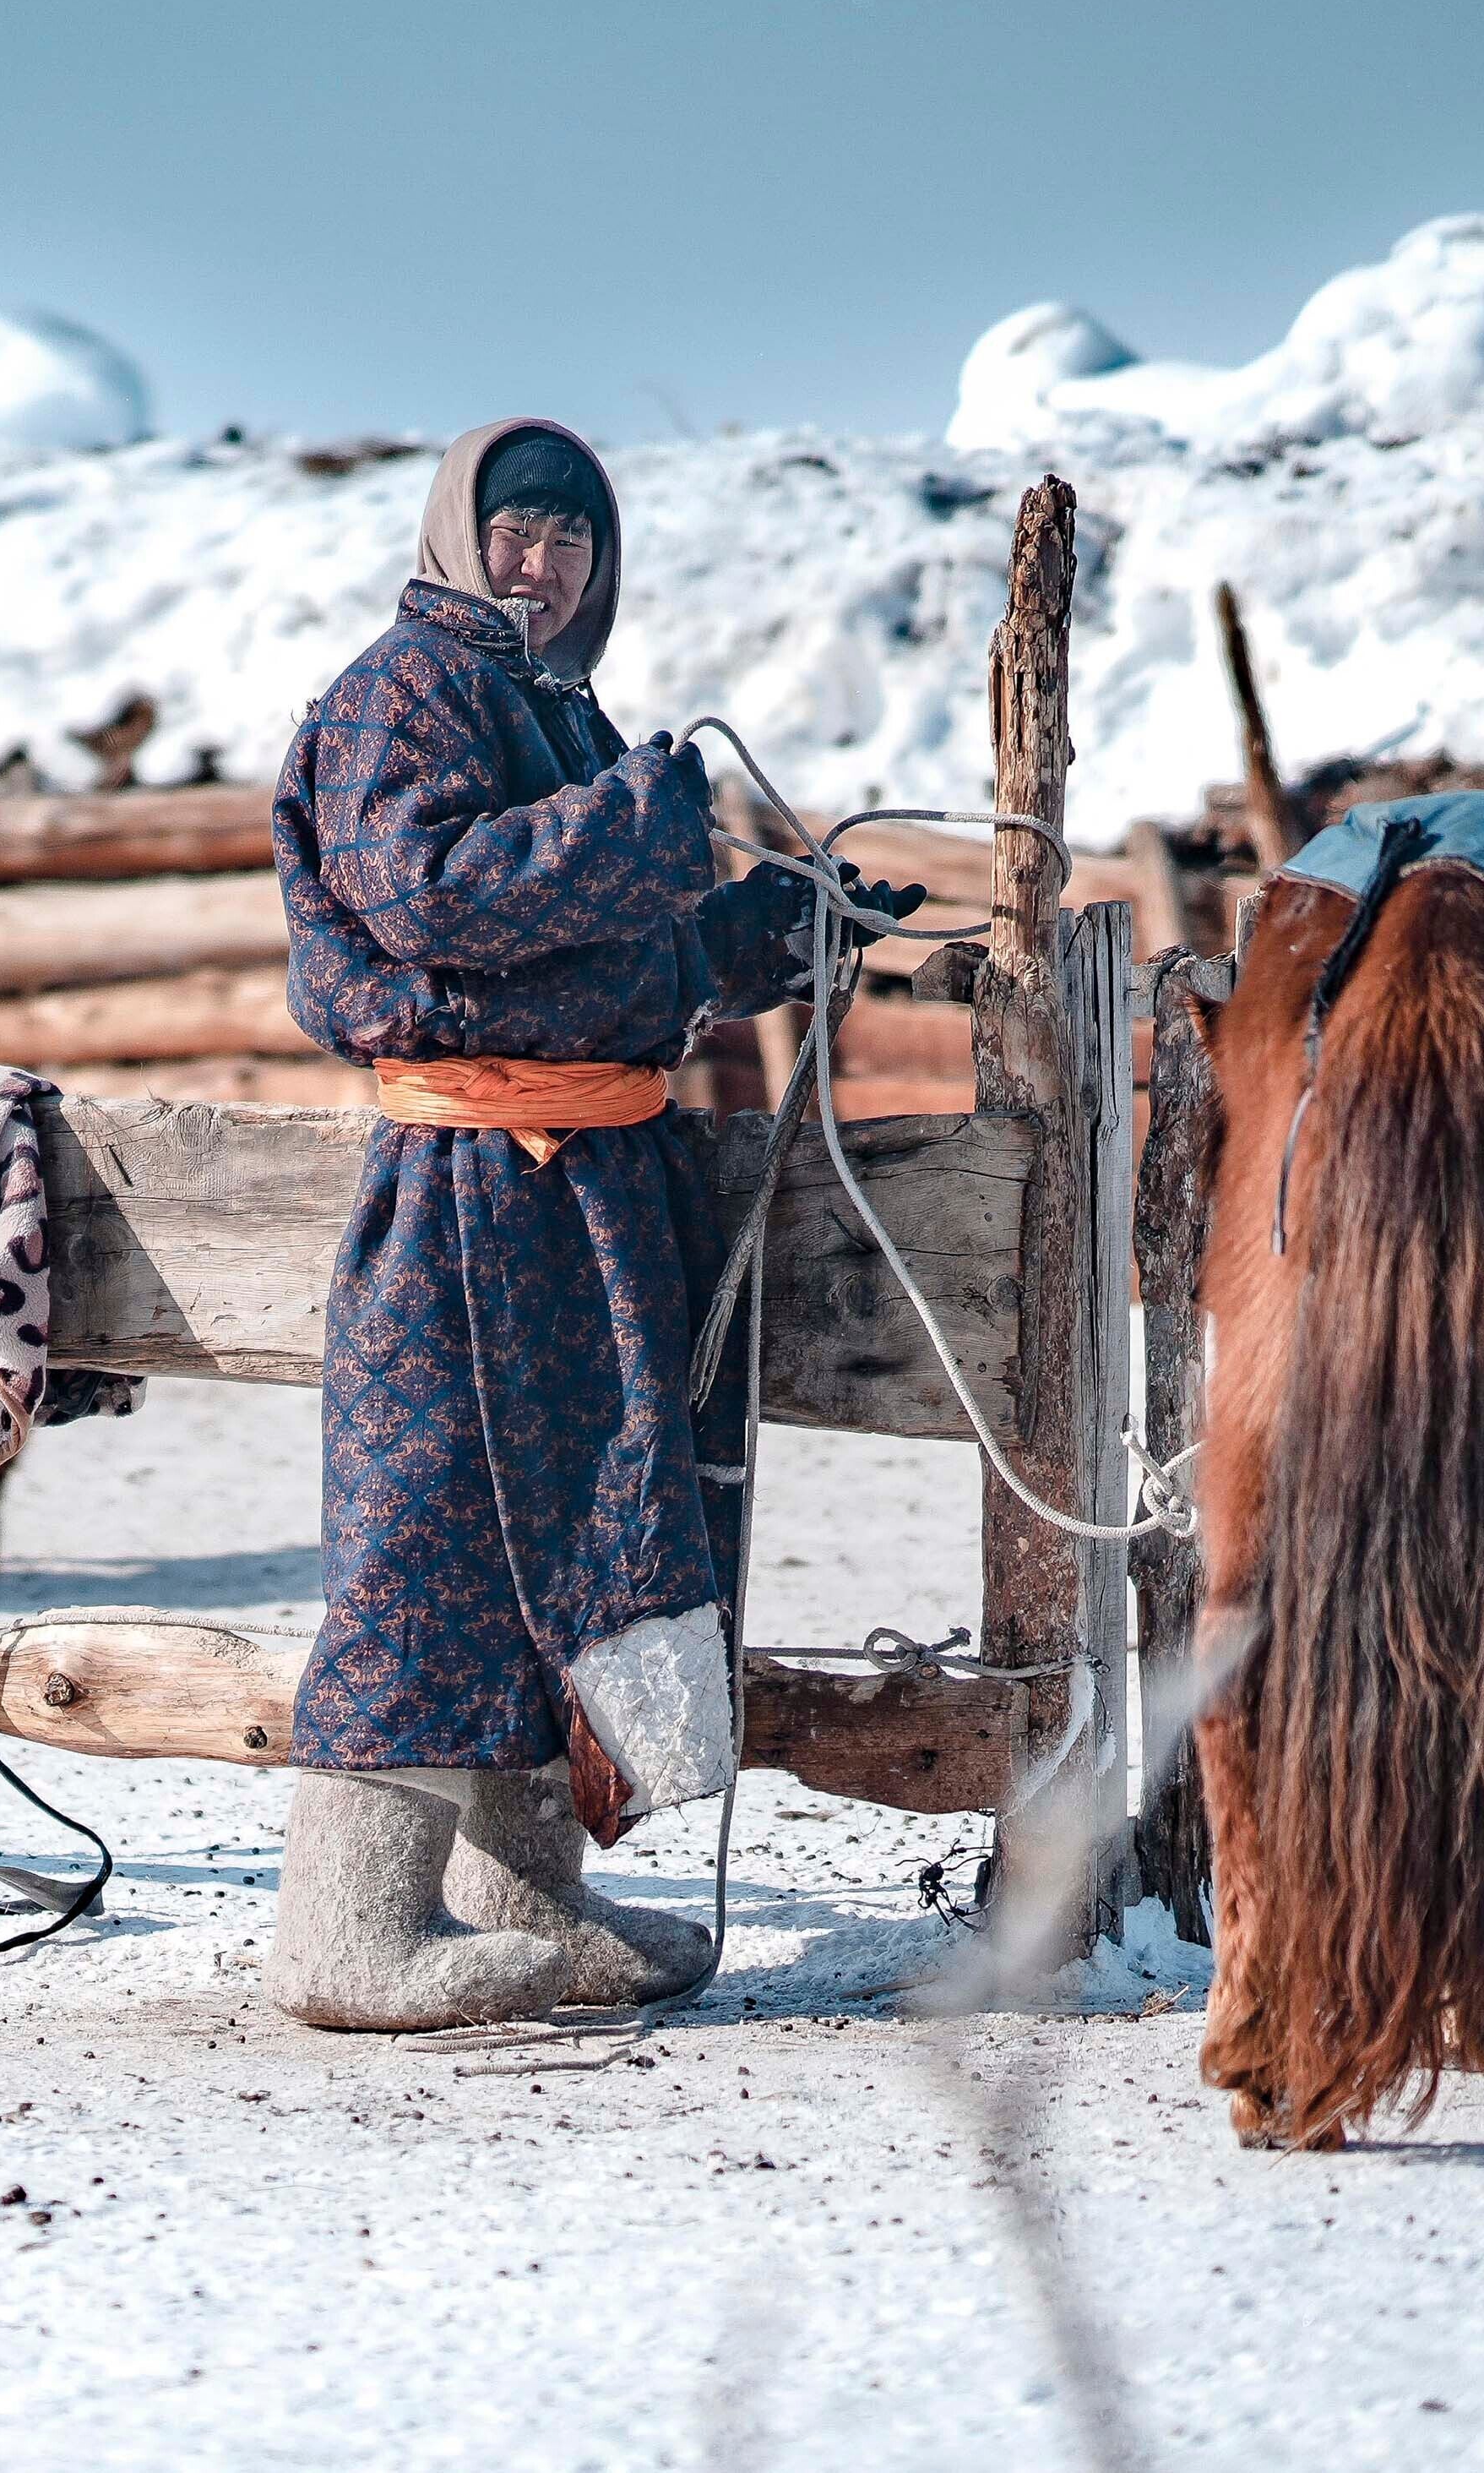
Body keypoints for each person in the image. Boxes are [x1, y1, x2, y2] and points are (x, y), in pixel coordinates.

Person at [261, 417, 917, 2030]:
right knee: (430, 1529)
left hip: (585, 1190)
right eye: (516, 529)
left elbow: (604, 946)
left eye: (572, 538)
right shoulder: (396, 694)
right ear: (453, 535)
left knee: (558, 1534)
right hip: (465, 1190)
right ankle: (347, 1930)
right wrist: (642, 834)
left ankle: (523, 1901)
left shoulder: (559, 711)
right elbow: (434, 901)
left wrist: (760, 926)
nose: (542, 561)